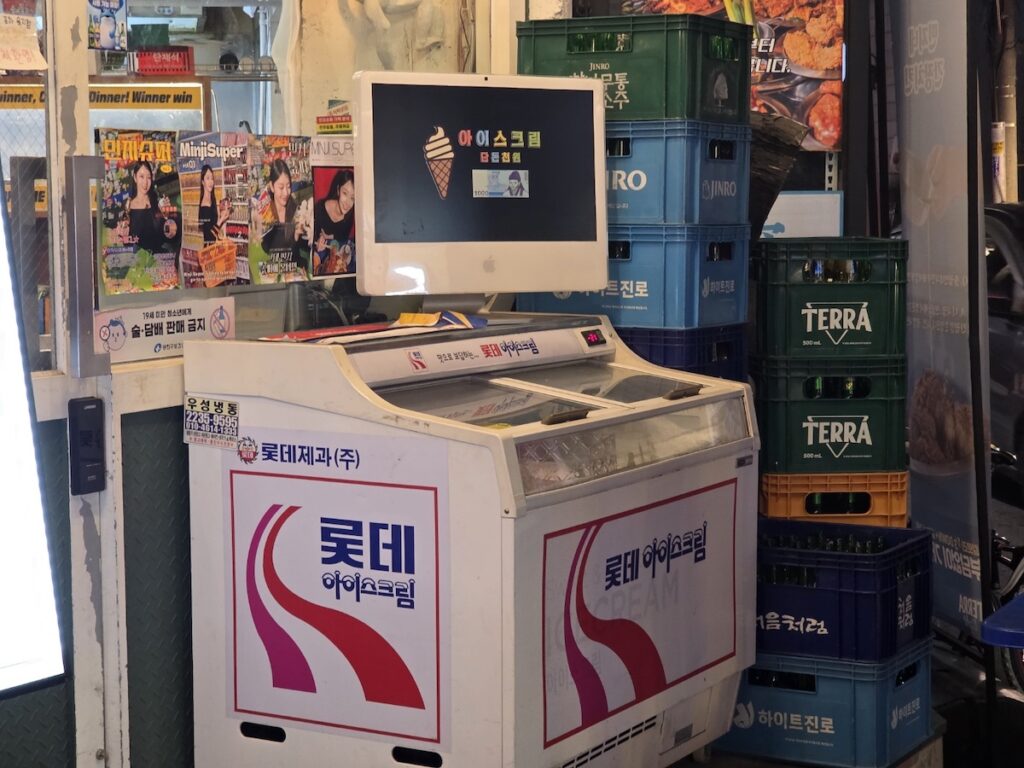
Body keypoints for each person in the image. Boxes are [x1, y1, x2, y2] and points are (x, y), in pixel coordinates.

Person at [260, 159, 308, 277]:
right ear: (272, 186)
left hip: (295, 268)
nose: (286, 192)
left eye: (288, 186)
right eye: (281, 187)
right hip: (274, 269)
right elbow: (266, 247)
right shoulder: (267, 212)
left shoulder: (296, 208)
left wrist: (299, 234)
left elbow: (302, 248)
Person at [122, 159, 178, 253]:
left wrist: (167, 215)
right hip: (139, 260)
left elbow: (170, 236)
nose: (145, 182)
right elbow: (126, 242)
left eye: (148, 177)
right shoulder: (128, 206)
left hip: (160, 257)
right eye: (141, 177)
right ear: (135, 178)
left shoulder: (157, 201)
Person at [312, 169, 356, 275]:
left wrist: (329, 236)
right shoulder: (320, 208)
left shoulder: (349, 216)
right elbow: (309, 239)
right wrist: (317, 244)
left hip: (335, 254)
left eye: (353, 198)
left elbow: (342, 236)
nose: (348, 203)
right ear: (338, 190)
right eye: (345, 193)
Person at [198, 164, 231, 245]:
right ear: (203, 182)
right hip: (208, 251)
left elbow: (213, 226)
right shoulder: (204, 205)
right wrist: (221, 219)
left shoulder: (212, 199)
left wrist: (223, 215)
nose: (211, 182)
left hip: (214, 248)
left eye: (212, 178)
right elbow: (209, 237)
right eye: (207, 178)